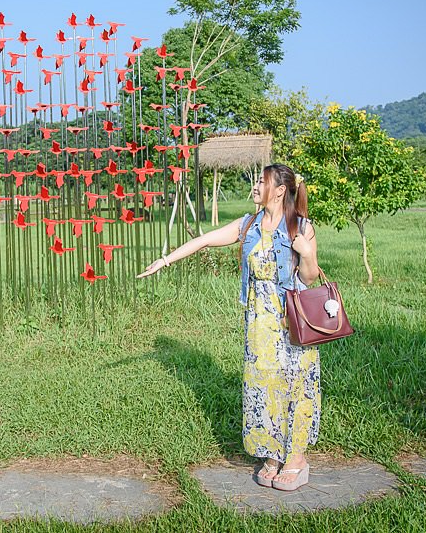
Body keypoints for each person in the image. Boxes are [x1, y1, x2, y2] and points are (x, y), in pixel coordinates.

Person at [137, 163, 321, 491]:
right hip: (259, 325)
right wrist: (164, 261)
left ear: (279, 190)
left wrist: (306, 253)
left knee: (295, 385)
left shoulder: (301, 227)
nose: (254, 187)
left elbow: (309, 278)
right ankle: (273, 454)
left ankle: (296, 458)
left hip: (291, 323)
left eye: (260, 182)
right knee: (264, 387)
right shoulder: (249, 224)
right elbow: (205, 240)